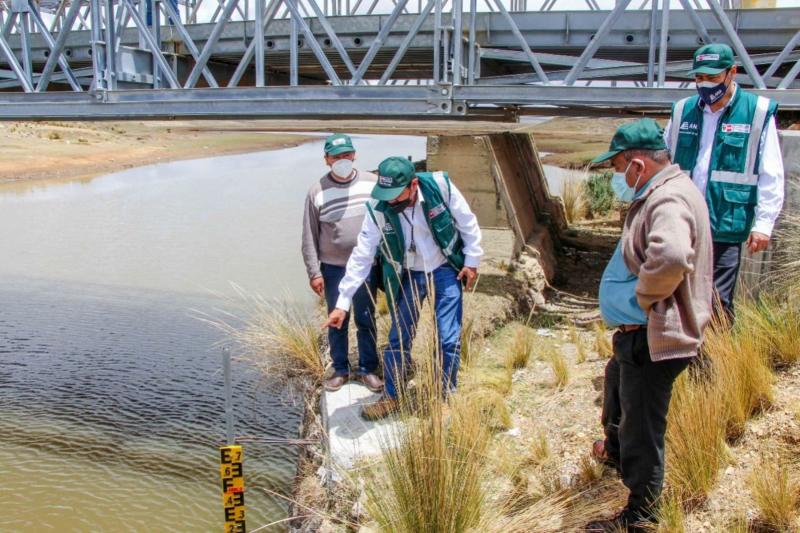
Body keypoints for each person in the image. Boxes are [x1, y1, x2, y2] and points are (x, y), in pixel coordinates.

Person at [587, 119, 714, 532]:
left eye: (617, 166)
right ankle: (615, 453)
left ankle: (641, 515)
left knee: (643, 427)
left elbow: (673, 255)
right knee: (617, 387)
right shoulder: (665, 192)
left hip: (653, 336)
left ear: (636, 164)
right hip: (640, 337)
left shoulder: (667, 200)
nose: (615, 177)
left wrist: (642, 298)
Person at [323, 156, 483, 420]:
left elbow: (468, 223)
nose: (391, 201)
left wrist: (472, 261)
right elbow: (362, 255)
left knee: (448, 338)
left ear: (414, 184)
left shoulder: (440, 187)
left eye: (396, 195)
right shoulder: (378, 208)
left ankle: (444, 396)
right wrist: (342, 302)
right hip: (408, 273)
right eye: (386, 195)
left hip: (444, 268)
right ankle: (392, 396)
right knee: (398, 339)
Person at [664, 43, 784, 317]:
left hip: (725, 222)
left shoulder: (756, 112)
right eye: (699, 77)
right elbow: (665, 163)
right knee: (676, 294)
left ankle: (714, 359)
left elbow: (771, 173)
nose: (704, 84)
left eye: (712, 77)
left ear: (732, 73)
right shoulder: (682, 111)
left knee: (717, 300)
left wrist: (764, 223)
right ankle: (679, 357)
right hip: (682, 221)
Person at [301, 134, 383, 393]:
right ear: (326, 160)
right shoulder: (317, 191)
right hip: (333, 268)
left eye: (346, 155)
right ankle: (340, 369)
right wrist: (314, 272)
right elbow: (309, 236)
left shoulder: (373, 183)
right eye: (336, 156)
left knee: (366, 317)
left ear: (354, 155)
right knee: (337, 319)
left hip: (367, 267)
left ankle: (368, 368)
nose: (342, 160)